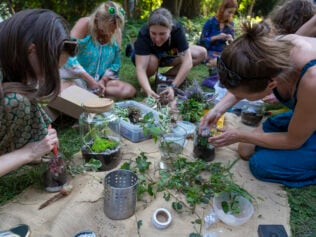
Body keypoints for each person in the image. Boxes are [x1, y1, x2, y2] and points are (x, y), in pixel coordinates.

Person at [200, 22, 316, 188]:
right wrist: (217, 110)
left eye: (244, 96)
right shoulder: (263, 52)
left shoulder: (312, 80)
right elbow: (241, 85)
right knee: (246, 149)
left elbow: (293, 141)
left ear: (271, 85)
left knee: (261, 164)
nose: (238, 97)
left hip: (305, 119)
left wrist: (240, 135)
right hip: (308, 113)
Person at [0, 9, 76, 177]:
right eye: (47, 69)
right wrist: (29, 153)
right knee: (17, 99)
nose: (44, 78)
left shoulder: (11, 61)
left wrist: (41, 136)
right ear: (31, 50)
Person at [60, 1, 136, 99]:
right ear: (97, 18)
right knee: (65, 88)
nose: (109, 33)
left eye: (113, 30)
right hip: (76, 78)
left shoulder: (116, 32)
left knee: (128, 90)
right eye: (104, 29)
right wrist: (89, 80)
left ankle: (91, 94)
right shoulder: (84, 24)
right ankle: (88, 95)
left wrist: (103, 81)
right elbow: (67, 55)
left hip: (99, 81)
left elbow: (115, 64)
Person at [131, 7, 207, 102]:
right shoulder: (144, 33)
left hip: (168, 56)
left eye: (162, 34)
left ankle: (164, 76)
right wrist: (148, 90)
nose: (157, 39)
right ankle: (146, 82)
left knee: (201, 53)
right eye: (153, 33)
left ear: (170, 29)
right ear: (149, 29)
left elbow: (187, 62)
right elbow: (141, 68)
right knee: (152, 61)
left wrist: (173, 87)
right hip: (150, 59)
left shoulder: (177, 29)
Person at [199, 0, 237, 68]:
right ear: (223, 9)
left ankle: (217, 63)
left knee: (233, 58)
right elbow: (201, 42)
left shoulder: (231, 24)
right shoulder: (210, 22)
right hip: (209, 52)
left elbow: (233, 47)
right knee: (217, 60)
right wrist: (216, 37)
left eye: (233, 13)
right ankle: (217, 63)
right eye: (229, 12)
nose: (230, 15)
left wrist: (231, 40)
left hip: (223, 53)